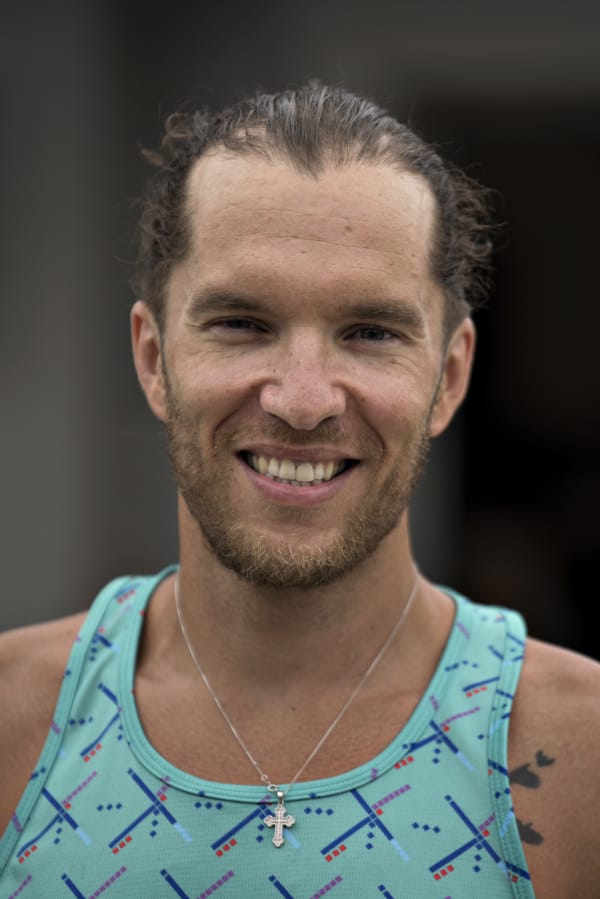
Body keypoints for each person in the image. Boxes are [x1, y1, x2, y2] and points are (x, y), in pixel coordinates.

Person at [0, 82, 598, 899]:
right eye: (242, 323)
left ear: (450, 376)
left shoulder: (579, 753)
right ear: (152, 357)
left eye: (371, 332)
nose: (304, 399)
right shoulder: (15, 719)